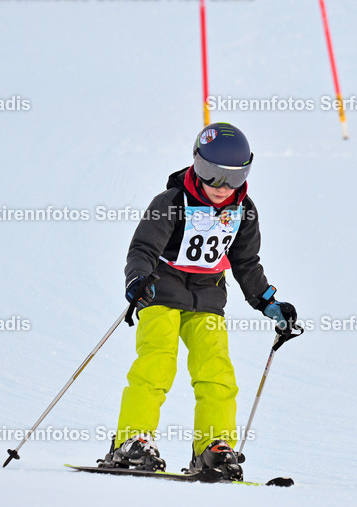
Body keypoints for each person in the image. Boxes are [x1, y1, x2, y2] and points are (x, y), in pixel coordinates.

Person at [97, 122, 297, 480]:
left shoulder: (243, 212)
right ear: (196, 165)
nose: (223, 187)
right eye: (211, 175)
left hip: (208, 300)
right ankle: (133, 439)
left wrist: (269, 303)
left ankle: (213, 446)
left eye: (234, 178)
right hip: (161, 293)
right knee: (156, 364)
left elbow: (246, 264)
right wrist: (137, 281)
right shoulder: (172, 203)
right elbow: (143, 249)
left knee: (216, 372)